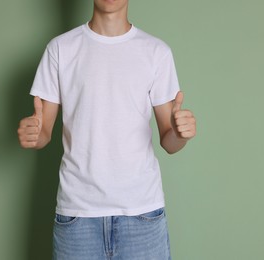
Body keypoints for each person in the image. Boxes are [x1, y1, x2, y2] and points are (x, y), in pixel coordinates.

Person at [17, 0, 196, 259]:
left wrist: (180, 134)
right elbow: (43, 131)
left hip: (142, 214)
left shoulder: (156, 52)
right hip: (77, 216)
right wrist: (33, 133)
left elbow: (169, 142)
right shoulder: (60, 49)